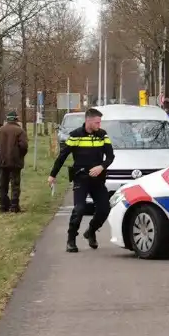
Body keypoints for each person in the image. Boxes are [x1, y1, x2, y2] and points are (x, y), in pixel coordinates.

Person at [49, 107, 115, 253]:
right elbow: (62, 156)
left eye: (100, 122)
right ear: (88, 121)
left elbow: (111, 156)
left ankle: (91, 231)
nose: (99, 125)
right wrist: (52, 175)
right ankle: (71, 239)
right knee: (79, 209)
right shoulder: (75, 136)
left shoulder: (102, 135)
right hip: (81, 178)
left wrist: (101, 166)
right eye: (97, 122)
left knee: (105, 209)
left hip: (98, 180)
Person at [0, 111, 29, 213]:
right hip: (15, 161)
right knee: (15, 184)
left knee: (2, 184)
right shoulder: (20, 131)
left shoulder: (1, 130)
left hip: (2, 161)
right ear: (16, 119)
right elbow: (24, 146)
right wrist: (20, 155)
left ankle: (3, 206)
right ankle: (14, 206)